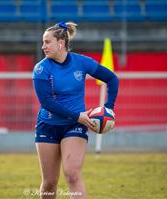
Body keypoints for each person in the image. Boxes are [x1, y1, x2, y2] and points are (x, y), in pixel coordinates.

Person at [33, 22, 119, 198]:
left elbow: (111, 78)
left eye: (47, 42)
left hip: (75, 125)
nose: (43, 47)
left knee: (72, 175)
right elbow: (46, 102)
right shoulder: (41, 68)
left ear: (60, 43)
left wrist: (108, 108)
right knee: (49, 182)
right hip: (48, 125)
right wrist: (77, 115)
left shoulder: (81, 62)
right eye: (43, 42)